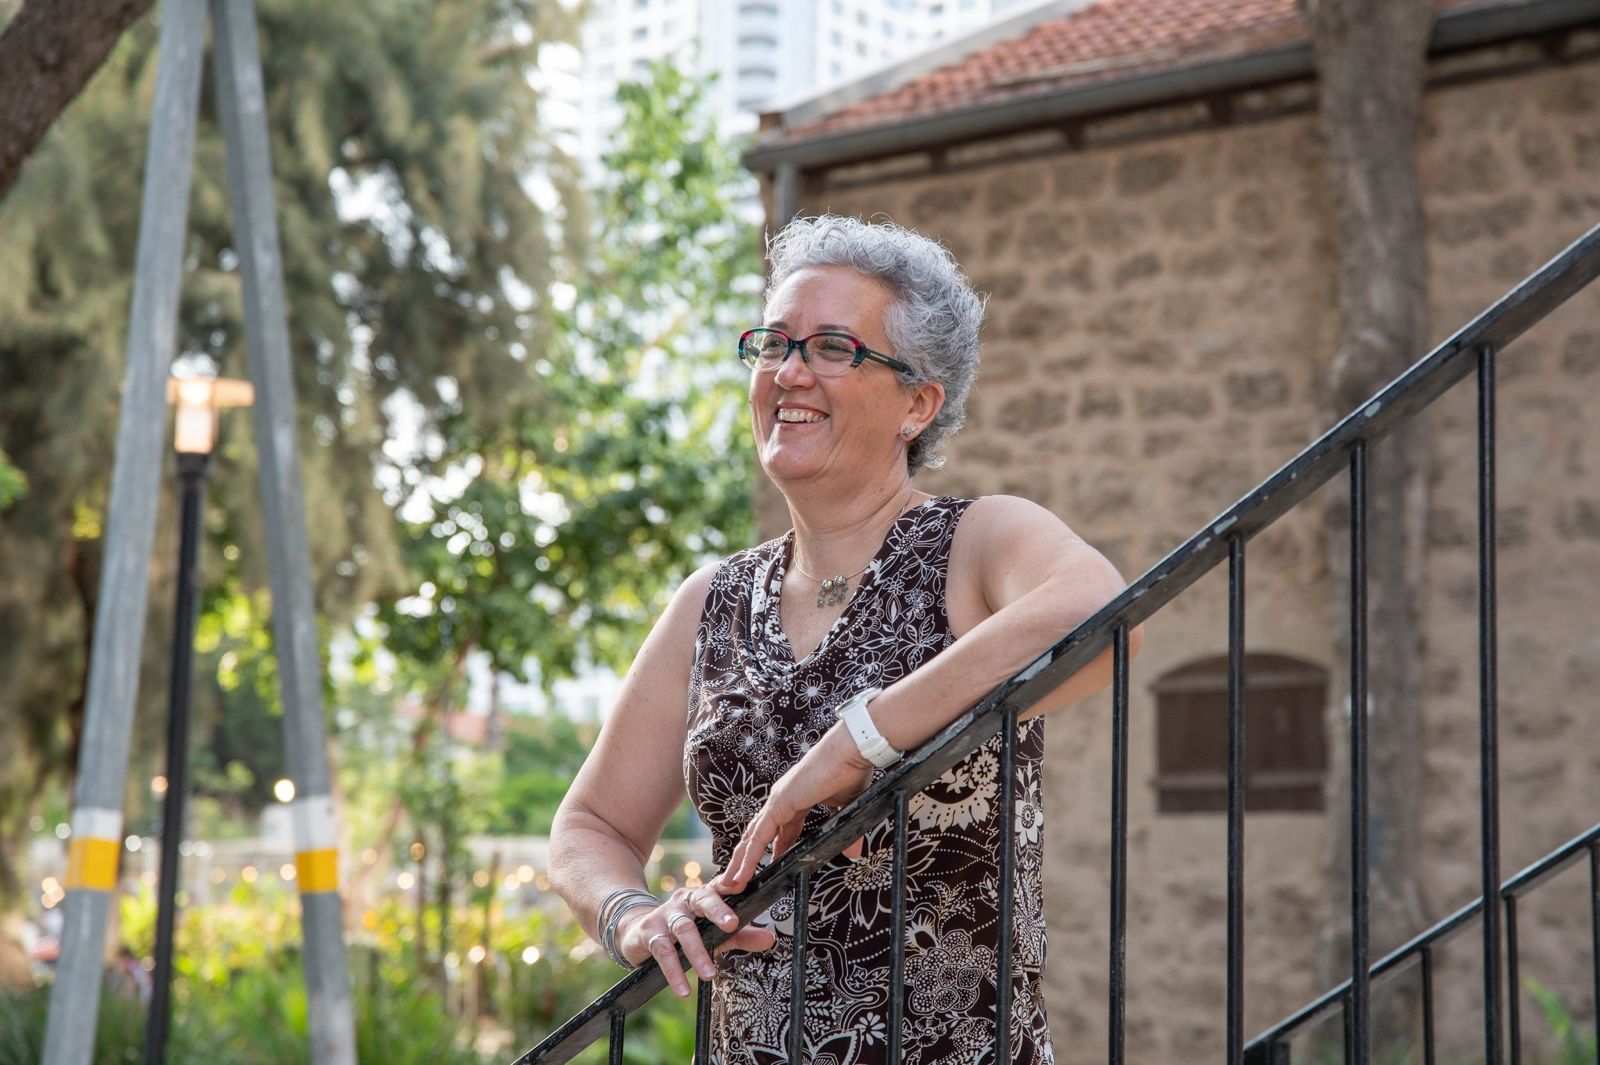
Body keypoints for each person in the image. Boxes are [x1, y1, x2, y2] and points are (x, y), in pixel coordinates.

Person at [549, 214, 1141, 1065]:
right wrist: (632, 915)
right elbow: (590, 822)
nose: (789, 372)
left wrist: (860, 738)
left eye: (834, 347)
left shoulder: (977, 543)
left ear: (917, 402)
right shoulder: (710, 602)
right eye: (775, 344)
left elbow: (1103, 615)